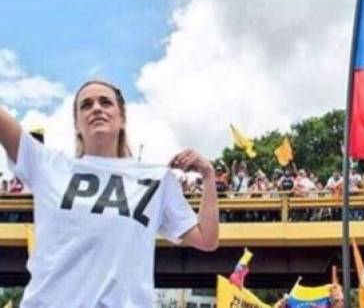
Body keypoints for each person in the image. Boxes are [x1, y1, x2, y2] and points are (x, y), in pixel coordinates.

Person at [0, 80, 219, 307]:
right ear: (77, 124)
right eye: (86, 105)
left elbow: (207, 239)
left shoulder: (157, 180)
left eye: (106, 102)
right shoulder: (47, 165)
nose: (96, 108)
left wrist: (208, 176)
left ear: (122, 118)